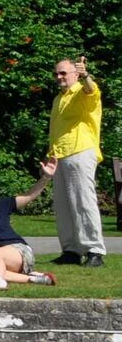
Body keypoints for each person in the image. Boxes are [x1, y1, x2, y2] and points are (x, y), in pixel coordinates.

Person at [48, 56, 106, 268]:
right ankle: (71, 250)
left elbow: (93, 91)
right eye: (56, 73)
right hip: (60, 154)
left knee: (83, 202)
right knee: (63, 205)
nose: (59, 77)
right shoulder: (58, 98)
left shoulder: (82, 92)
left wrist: (86, 76)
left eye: (63, 72)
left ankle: (94, 250)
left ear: (75, 73)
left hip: (80, 151)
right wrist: (51, 154)